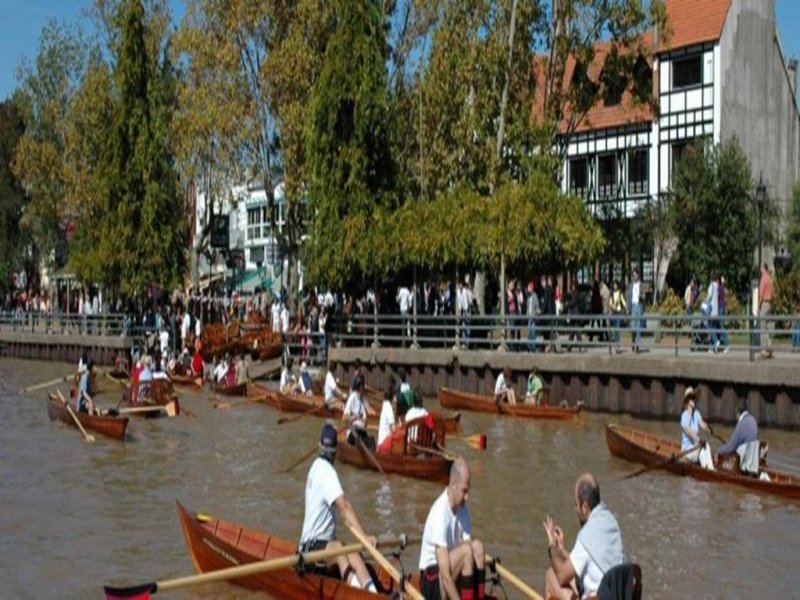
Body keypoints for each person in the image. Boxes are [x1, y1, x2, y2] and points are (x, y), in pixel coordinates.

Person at [298, 424, 378, 592]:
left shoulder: (315, 467)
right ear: (335, 452)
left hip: (324, 547)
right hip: (310, 550)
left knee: (353, 552)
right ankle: (357, 592)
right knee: (340, 548)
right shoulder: (326, 471)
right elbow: (344, 506)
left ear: (320, 447)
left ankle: (372, 593)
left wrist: (362, 541)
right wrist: (364, 537)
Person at [543, 473, 626, 600]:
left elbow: (561, 576)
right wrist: (562, 550)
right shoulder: (610, 522)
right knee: (570, 580)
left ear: (585, 507)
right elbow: (591, 560)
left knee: (551, 576)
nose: (575, 509)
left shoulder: (587, 534)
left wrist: (551, 546)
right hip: (614, 594)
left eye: (576, 505)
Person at [419, 457, 486, 600]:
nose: (467, 497)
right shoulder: (440, 513)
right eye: (464, 491)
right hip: (430, 580)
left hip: (449, 568)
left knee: (478, 547)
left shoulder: (463, 509)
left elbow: (471, 549)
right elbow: (446, 576)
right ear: (453, 486)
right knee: (466, 552)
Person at [716, 400, 759, 469]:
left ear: (738, 413)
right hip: (753, 462)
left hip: (743, 462)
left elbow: (730, 447)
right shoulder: (753, 420)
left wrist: (718, 451)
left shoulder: (741, 424)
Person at [679, 387, 714, 470]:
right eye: (691, 398)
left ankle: (709, 469)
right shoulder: (684, 416)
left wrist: (708, 428)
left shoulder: (697, 414)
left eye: (694, 398)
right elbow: (688, 431)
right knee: (703, 448)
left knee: (706, 446)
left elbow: (702, 423)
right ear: (687, 401)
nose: (694, 400)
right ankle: (709, 471)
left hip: (696, 447)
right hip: (687, 451)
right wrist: (698, 440)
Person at [343, 376, 374, 449]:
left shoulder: (362, 399)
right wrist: (354, 417)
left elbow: (366, 416)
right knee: (364, 441)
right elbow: (344, 417)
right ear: (360, 387)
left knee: (372, 440)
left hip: (361, 431)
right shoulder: (352, 398)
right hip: (353, 432)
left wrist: (365, 421)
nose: (364, 388)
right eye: (363, 386)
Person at [758, 263, 773, 359]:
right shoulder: (770, 278)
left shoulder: (763, 278)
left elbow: (761, 294)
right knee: (766, 326)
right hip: (769, 303)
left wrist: (758, 306)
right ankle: (768, 345)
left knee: (762, 326)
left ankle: (765, 349)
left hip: (764, 303)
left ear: (763, 268)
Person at [627, 269, 643, 353]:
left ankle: (637, 345)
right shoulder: (630, 285)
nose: (634, 277)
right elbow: (628, 297)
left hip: (639, 306)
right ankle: (633, 341)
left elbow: (644, 296)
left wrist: (642, 297)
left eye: (636, 275)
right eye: (633, 275)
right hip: (633, 306)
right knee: (633, 326)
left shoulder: (641, 285)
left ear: (638, 275)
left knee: (638, 327)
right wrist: (628, 308)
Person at [610, 281, 627, 353]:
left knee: (618, 328)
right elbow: (610, 302)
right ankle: (616, 344)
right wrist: (612, 307)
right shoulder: (612, 293)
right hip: (614, 312)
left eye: (616, 285)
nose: (615, 286)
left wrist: (626, 308)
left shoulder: (620, 293)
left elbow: (623, 301)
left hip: (618, 312)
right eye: (614, 285)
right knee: (615, 329)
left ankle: (617, 345)